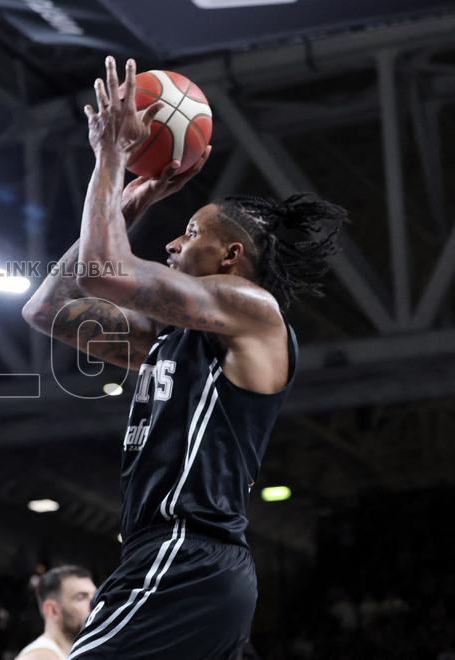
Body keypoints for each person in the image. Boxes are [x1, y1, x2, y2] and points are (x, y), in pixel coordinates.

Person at [22, 57, 344, 658]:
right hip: (169, 559)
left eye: (192, 233)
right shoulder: (171, 340)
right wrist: (130, 204)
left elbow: (105, 271)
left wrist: (112, 159)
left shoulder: (254, 310)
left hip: (184, 555)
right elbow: (46, 309)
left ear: (231, 257)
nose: (173, 242)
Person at [17, 566, 97, 660]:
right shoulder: (38, 656)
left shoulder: (79, 651)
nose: (94, 603)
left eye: (95, 596)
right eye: (81, 597)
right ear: (52, 610)